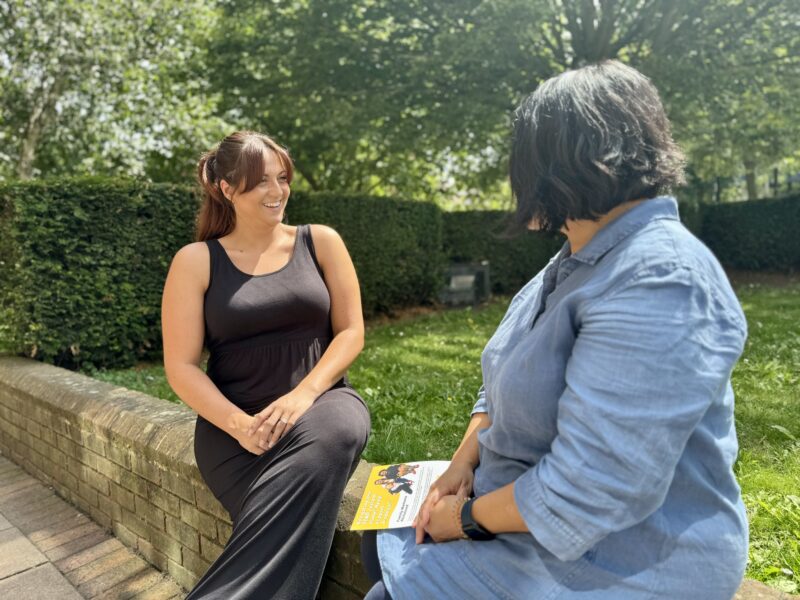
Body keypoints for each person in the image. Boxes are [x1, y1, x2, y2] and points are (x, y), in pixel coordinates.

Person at [362, 60, 748, 599]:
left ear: (566, 164)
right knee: (375, 543)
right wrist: (461, 463)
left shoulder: (659, 280)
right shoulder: (577, 257)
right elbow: (501, 377)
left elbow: (589, 491)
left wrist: (466, 518)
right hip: (529, 520)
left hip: (619, 561)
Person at [161, 130, 370, 599]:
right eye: (260, 183)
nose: (277, 192)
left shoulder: (321, 241)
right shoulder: (196, 261)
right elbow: (181, 366)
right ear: (227, 188)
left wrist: (304, 395)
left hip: (322, 404)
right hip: (232, 435)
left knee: (338, 431)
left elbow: (351, 332)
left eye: (282, 178)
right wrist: (239, 426)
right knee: (275, 534)